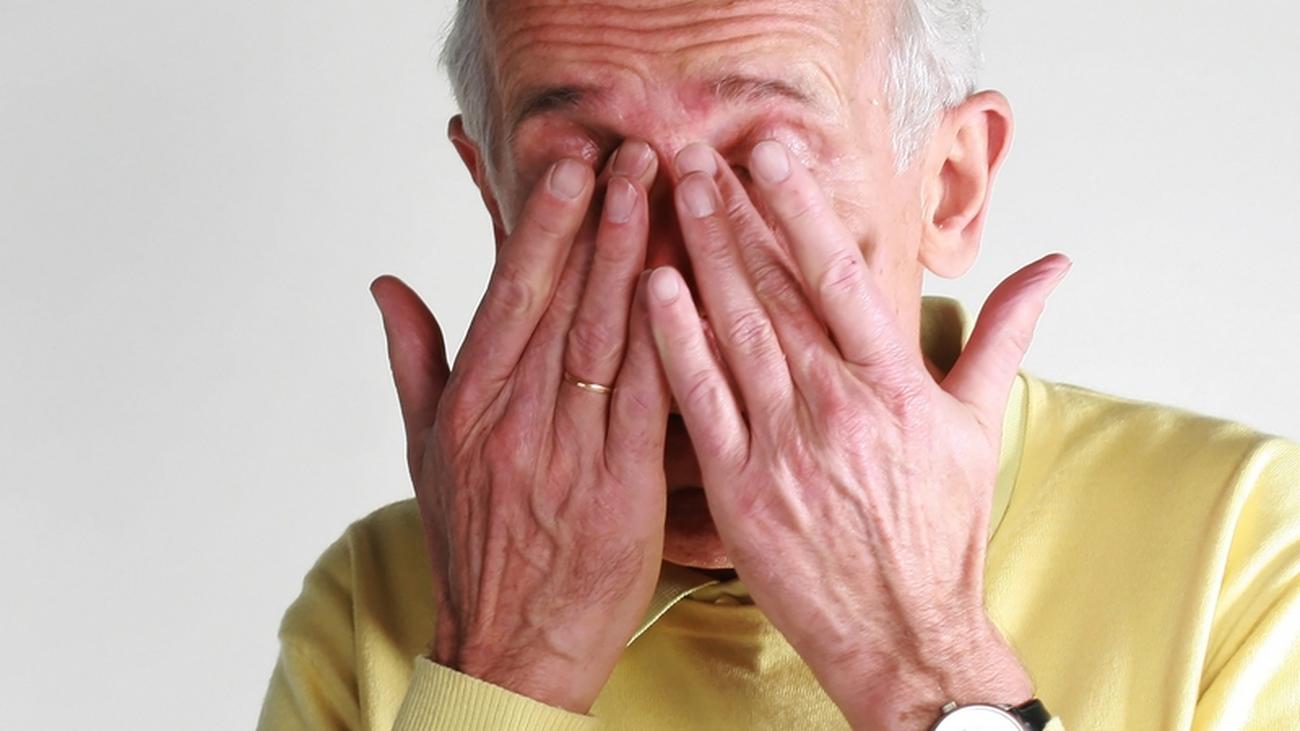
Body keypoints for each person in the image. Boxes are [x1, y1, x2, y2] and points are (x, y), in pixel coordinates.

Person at [257, 0, 1300, 728]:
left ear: (949, 187)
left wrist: (921, 657)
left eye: (765, 165)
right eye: (585, 173)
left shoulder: (1245, 548)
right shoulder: (384, 603)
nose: (670, 281)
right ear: (497, 201)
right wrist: (503, 667)